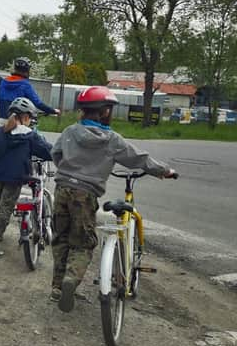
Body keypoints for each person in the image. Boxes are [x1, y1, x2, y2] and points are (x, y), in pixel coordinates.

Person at [50, 86, 177, 313]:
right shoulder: (112, 140)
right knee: (84, 242)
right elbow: (139, 159)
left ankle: (57, 287)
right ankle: (71, 279)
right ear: (105, 112)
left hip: (62, 189)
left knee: (61, 238)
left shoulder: (70, 131)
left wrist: (68, 171)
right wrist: (164, 171)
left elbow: (56, 154)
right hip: (85, 195)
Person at [0, 97, 53, 257]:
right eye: (30, 117)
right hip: (15, 177)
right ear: (25, 117)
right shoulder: (29, 135)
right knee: (6, 208)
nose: (30, 121)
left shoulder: (0, 132)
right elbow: (46, 151)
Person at [0, 57, 59, 124]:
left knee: (0, 134)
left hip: (2, 117)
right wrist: (52, 110)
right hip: (17, 120)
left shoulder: (4, 81)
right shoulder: (25, 84)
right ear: (26, 71)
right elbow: (37, 103)